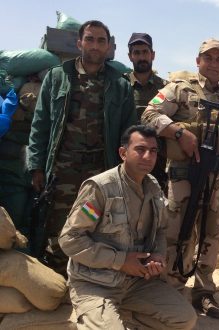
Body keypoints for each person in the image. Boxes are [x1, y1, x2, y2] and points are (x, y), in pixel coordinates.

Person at [59, 125, 197, 330]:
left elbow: (159, 230)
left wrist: (157, 256)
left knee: (185, 319)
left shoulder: (153, 186)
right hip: (96, 283)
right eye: (140, 149)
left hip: (136, 283)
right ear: (123, 153)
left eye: (153, 151)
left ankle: (120, 316)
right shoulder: (100, 188)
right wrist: (120, 261)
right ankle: (100, 315)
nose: (148, 156)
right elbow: (70, 239)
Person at [142, 38, 219, 319]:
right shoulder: (180, 90)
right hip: (186, 175)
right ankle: (172, 288)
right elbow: (150, 113)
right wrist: (177, 132)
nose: (213, 63)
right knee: (178, 233)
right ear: (198, 61)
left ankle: (204, 291)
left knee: (211, 234)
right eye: (207, 58)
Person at [28, 20, 137, 273]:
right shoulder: (58, 77)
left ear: (109, 47)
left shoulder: (119, 85)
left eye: (101, 40)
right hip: (62, 168)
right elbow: (40, 125)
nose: (95, 45)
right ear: (79, 43)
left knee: (93, 224)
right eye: (90, 39)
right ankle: (57, 276)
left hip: (100, 172)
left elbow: (129, 132)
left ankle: (87, 277)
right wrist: (36, 166)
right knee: (58, 226)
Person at [125, 32, 168, 190]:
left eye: (145, 52)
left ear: (153, 55)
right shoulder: (120, 85)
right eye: (137, 52)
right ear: (130, 56)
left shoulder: (166, 88)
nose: (141, 56)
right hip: (126, 162)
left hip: (157, 163)